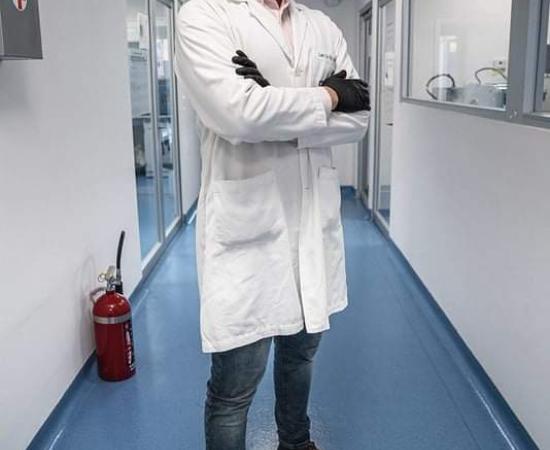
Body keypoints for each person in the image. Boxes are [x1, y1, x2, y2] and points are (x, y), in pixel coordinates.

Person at [175, 0, 370, 448]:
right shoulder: (205, 15)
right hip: (248, 234)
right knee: (234, 387)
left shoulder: (322, 26)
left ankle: (296, 442)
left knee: (301, 358)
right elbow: (237, 116)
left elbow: (358, 120)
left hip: (312, 227)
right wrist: (329, 96)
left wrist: (273, 102)